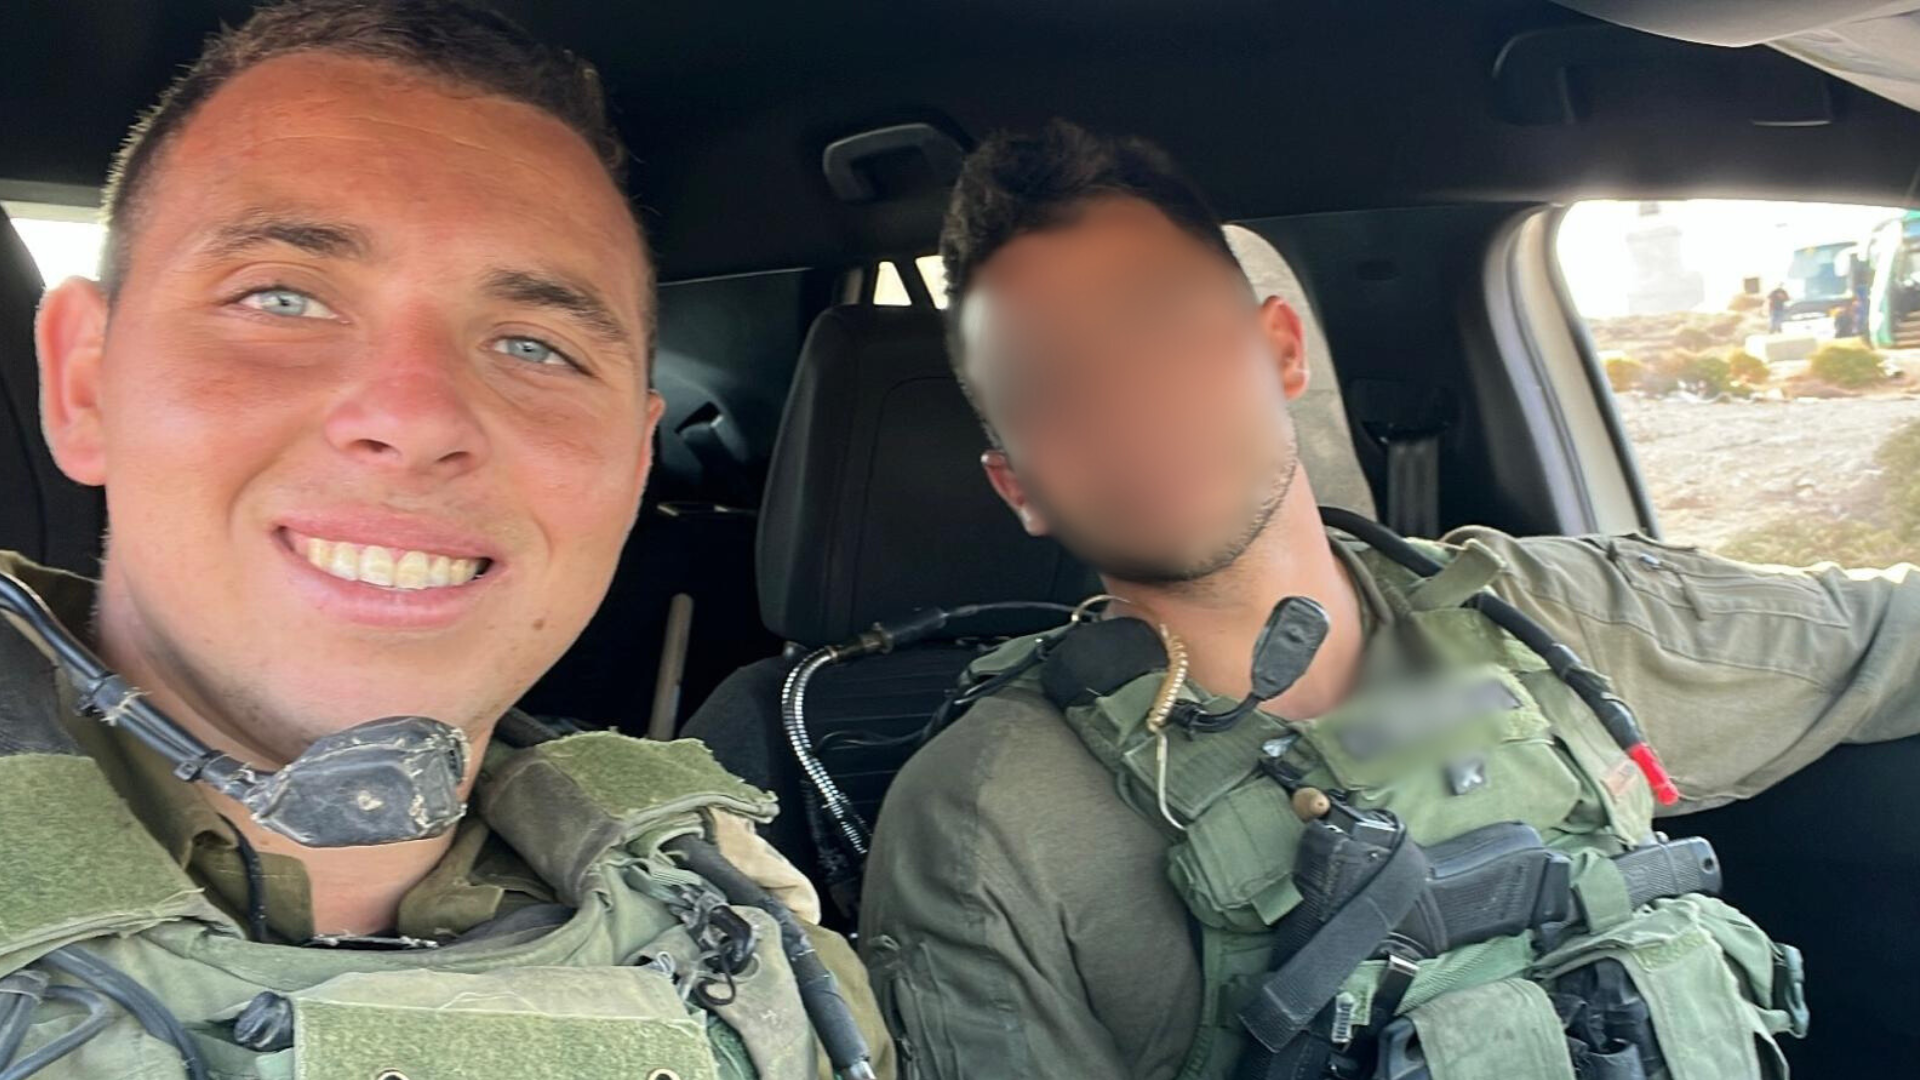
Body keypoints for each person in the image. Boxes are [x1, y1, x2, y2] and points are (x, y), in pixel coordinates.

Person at [860, 119, 1920, 1079]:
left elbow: (1886, 637)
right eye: (1056, 385)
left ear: (1280, 350)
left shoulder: (1553, 611)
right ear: (1019, 485)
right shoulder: (984, 825)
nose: (1132, 409)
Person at [0, 3, 892, 1078]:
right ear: (85, 384)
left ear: (632, 464)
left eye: (536, 346)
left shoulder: (746, 918)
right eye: (283, 297)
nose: (417, 417)